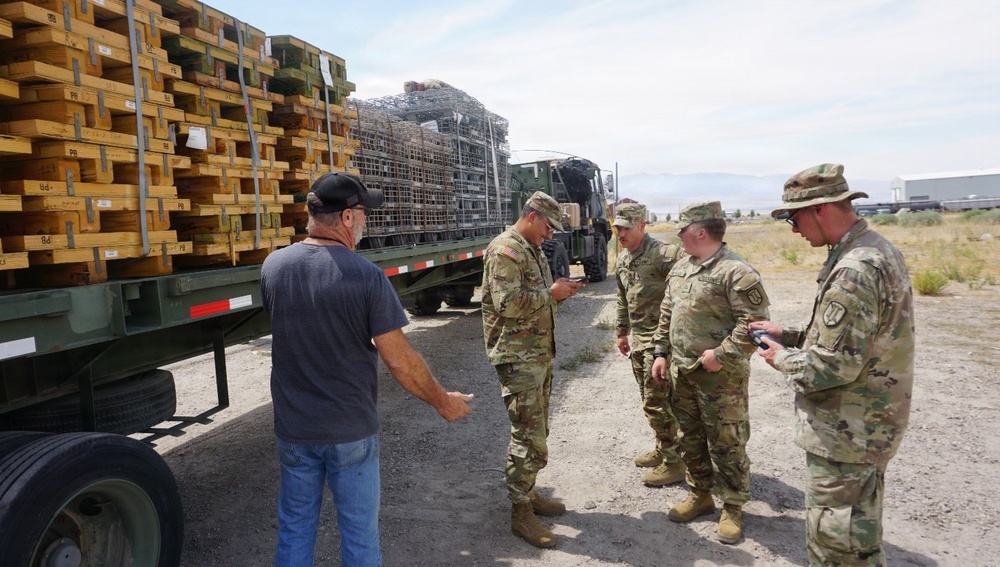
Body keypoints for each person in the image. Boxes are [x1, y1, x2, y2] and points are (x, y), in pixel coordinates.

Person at [260, 172, 474, 566]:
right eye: (362, 212)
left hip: (294, 429)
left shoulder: (274, 266)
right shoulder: (365, 276)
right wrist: (442, 401)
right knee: (359, 535)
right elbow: (399, 360)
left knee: (294, 529)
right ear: (345, 218)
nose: (366, 221)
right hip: (348, 430)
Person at [749, 163, 914, 566]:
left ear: (820, 209)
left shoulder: (855, 270)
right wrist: (787, 333)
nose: (792, 228)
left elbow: (833, 366)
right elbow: (857, 340)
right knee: (858, 537)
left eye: (793, 217)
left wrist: (780, 357)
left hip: (848, 431)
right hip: (864, 426)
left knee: (836, 548)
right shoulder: (873, 248)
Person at [650, 200, 769, 545]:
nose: (678, 236)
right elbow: (667, 312)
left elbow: (755, 325)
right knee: (690, 437)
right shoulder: (682, 267)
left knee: (727, 442)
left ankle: (732, 506)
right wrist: (660, 352)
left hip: (721, 377)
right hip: (682, 371)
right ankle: (700, 494)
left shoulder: (736, 272)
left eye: (682, 229)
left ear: (701, 231)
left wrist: (721, 354)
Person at [482, 191, 586, 549]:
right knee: (528, 436)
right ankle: (520, 512)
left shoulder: (531, 248)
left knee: (537, 430)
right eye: (548, 226)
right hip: (517, 358)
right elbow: (507, 303)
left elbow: (536, 294)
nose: (550, 234)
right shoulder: (505, 250)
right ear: (531, 216)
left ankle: (529, 492)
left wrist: (558, 292)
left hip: (537, 354)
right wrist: (552, 294)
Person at [613, 203, 686, 486]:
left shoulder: (664, 254)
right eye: (617, 227)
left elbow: (687, 290)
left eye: (626, 227)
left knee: (656, 402)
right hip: (639, 344)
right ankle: (664, 447)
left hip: (660, 343)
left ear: (642, 226)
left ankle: (674, 462)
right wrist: (622, 332)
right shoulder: (623, 260)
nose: (620, 233)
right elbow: (622, 298)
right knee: (652, 402)